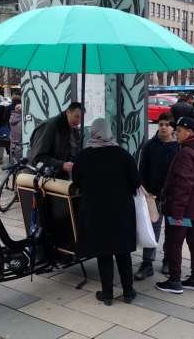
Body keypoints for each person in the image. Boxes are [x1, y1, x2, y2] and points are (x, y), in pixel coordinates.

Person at [72, 118, 141, 306]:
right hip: (121, 212)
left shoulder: (83, 157)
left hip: (96, 213)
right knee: (123, 252)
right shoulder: (122, 154)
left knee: (104, 253)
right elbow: (136, 182)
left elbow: (76, 182)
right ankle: (128, 292)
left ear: (93, 133)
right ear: (109, 132)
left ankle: (108, 294)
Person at [156, 117, 194, 294]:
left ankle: (174, 280)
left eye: (179, 131)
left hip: (184, 209)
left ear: (188, 132)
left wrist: (177, 213)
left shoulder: (186, 153)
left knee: (174, 242)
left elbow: (183, 185)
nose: (176, 134)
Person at [134, 112, 179, 280]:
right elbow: (142, 170)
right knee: (152, 228)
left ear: (172, 127)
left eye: (167, 125)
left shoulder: (178, 147)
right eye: (161, 124)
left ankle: (168, 260)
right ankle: (147, 264)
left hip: (173, 197)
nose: (163, 127)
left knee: (173, 228)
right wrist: (145, 191)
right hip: (153, 196)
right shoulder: (150, 145)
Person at [28, 102, 82, 180]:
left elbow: (73, 152)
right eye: (76, 116)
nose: (79, 121)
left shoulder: (74, 129)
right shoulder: (49, 126)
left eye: (81, 118)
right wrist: (62, 165)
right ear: (68, 113)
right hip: (44, 179)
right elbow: (37, 158)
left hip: (61, 178)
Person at [8, 98, 23, 163]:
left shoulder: (12, 116)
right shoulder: (22, 120)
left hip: (13, 145)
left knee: (13, 165)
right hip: (20, 146)